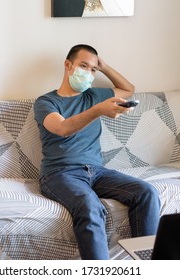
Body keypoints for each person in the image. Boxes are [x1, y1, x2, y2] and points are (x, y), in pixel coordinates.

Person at [34, 44, 160, 260]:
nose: (89, 73)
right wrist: (98, 110)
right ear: (68, 65)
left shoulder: (94, 95)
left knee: (146, 192)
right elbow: (62, 128)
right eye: (84, 66)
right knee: (89, 205)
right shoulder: (46, 101)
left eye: (93, 69)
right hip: (59, 174)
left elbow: (129, 90)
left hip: (97, 172)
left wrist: (104, 67)